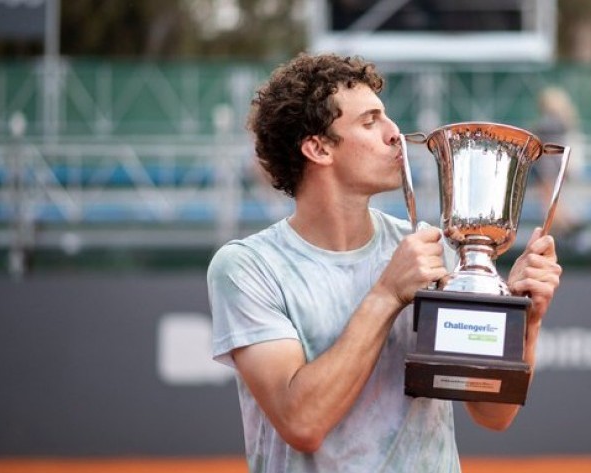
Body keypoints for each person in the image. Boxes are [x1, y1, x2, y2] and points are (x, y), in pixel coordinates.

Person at [207, 53, 562, 472]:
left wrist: (526, 322)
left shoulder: (432, 249)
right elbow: (301, 422)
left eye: (386, 117)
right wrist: (387, 294)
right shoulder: (248, 267)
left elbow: (492, 413)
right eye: (370, 121)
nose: (395, 133)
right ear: (318, 147)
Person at [532, 86, 584, 240]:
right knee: (550, 195)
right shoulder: (564, 120)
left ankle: (563, 223)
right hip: (551, 165)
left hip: (552, 164)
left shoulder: (554, 121)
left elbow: (538, 131)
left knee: (550, 195)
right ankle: (563, 223)